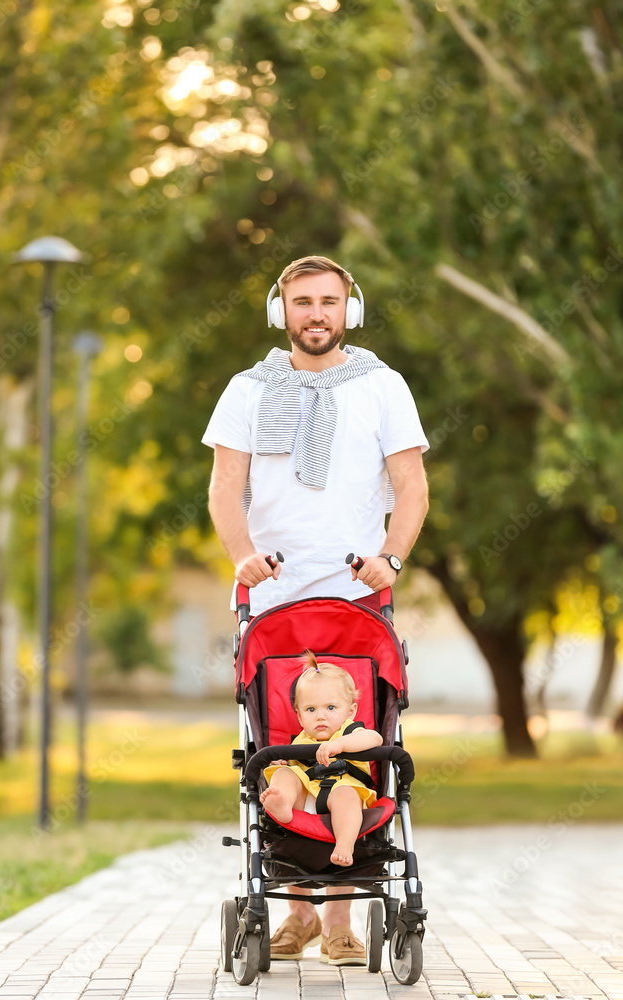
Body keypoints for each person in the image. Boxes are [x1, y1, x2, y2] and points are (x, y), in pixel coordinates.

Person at [203, 254, 429, 966]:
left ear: (348, 309)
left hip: (355, 597)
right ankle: (293, 917)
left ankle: (338, 924)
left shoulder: (382, 386)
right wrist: (241, 553)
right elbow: (223, 487)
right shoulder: (246, 389)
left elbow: (411, 485)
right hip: (271, 596)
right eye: (302, 302)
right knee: (284, 743)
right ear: (281, 311)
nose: (315, 314)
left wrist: (388, 558)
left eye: (328, 301)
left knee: (353, 746)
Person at [261, 652, 383, 868]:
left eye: (331, 708)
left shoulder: (351, 730)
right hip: (305, 800)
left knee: (346, 795)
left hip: (343, 791)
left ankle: (345, 845)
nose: (320, 716)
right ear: (299, 716)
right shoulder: (301, 740)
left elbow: (375, 738)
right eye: (310, 709)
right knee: (284, 774)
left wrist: (340, 745)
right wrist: (283, 766)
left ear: (351, 710)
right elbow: (294, 768)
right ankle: (282, 805)